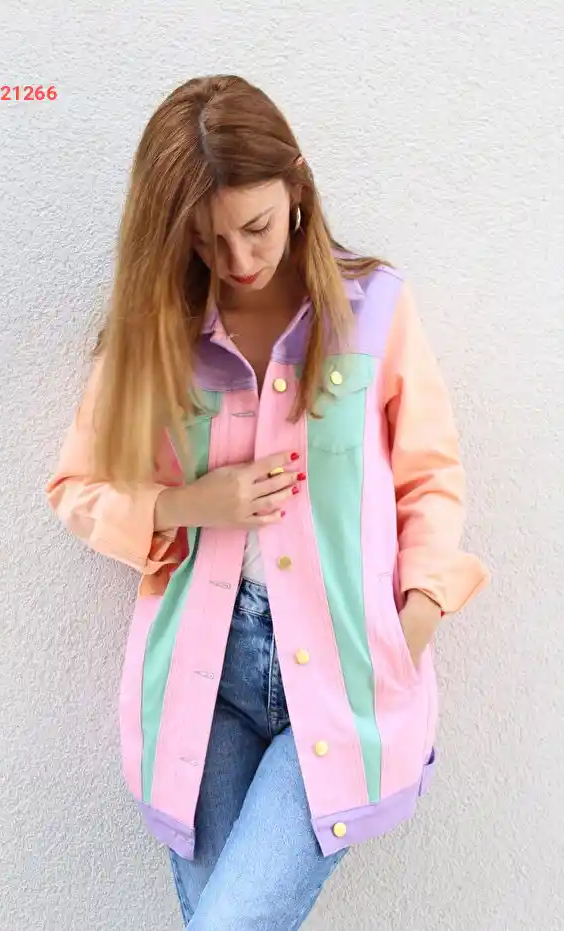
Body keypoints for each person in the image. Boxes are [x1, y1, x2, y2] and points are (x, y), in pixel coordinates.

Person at [46, 74, 489, 930]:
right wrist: (188, 502)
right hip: (200, 679)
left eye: (255, 227)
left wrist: (418, 611)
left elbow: (429, 473)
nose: (240, 260)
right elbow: (77, 485)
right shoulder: (157, 333)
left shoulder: (372, 308)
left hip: (344, 663)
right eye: (207, 241)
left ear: (297, 188)